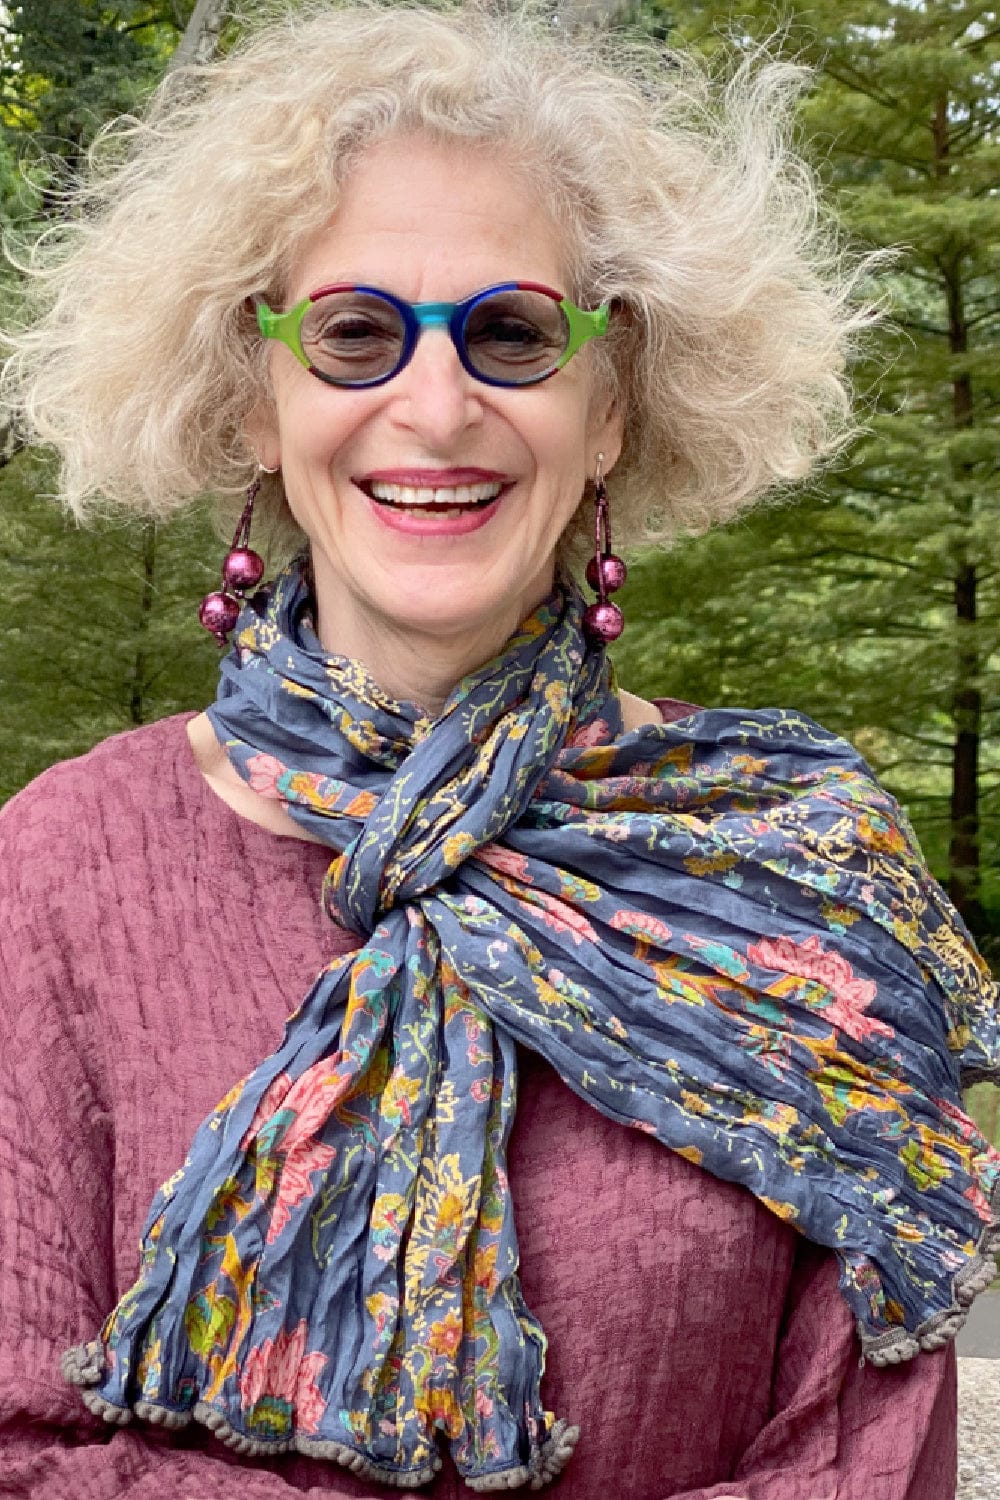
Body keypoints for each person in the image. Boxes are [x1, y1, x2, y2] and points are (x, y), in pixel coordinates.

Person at [1, 4, 997, 1498]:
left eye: (514, 333)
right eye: (353, 333)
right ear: (254, 397)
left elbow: (864, 1454)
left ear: (610, 404)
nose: (438, 404)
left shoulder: (806, 868)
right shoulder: (60, 872)